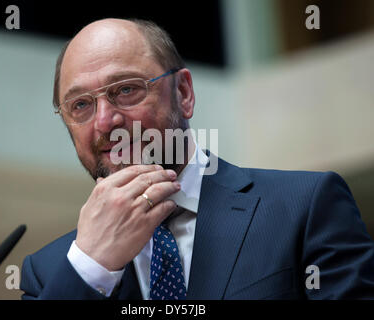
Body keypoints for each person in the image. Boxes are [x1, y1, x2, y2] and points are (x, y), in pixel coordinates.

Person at [20, 18, 374, 300]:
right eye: (80, 104)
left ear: (184, 93)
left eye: (126, 89)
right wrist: (92, 268)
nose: (104, 121)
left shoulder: (304, 208)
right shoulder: (49, 272)